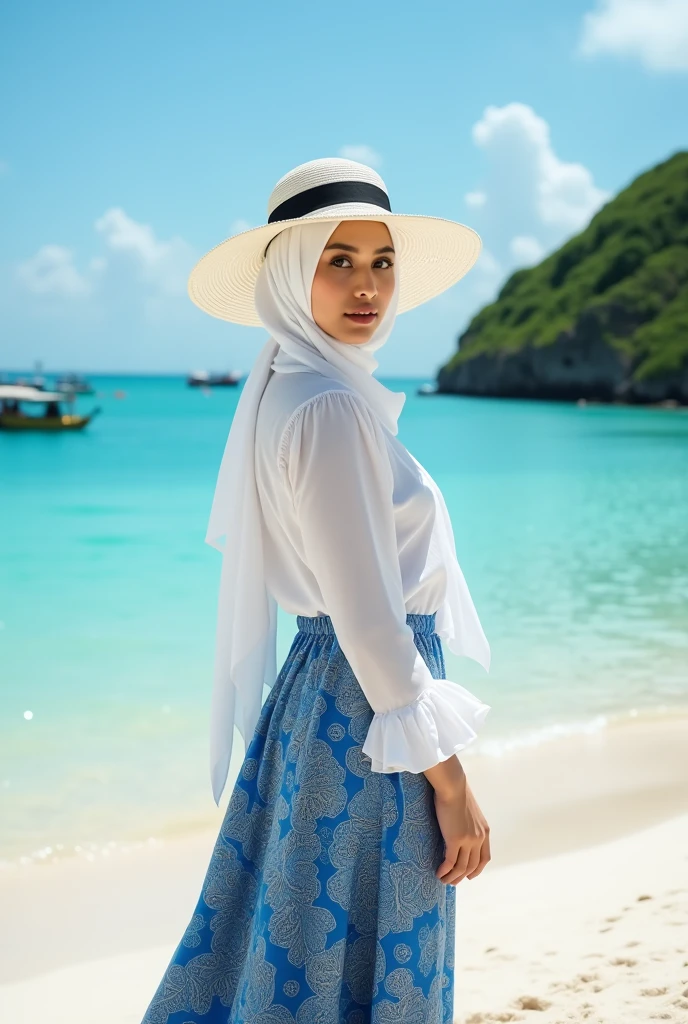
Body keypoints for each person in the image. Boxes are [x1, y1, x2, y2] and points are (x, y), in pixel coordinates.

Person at [140, 157, 493, 1024]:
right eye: (338, 260)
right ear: (293, 272)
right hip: (371, 715)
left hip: (324, 698)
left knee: (294, 947)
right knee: (377, 958)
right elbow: (372, 623)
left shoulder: (292, 384)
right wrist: (451, 783)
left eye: (381, 261)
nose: (366, 284)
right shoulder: (329, 406)